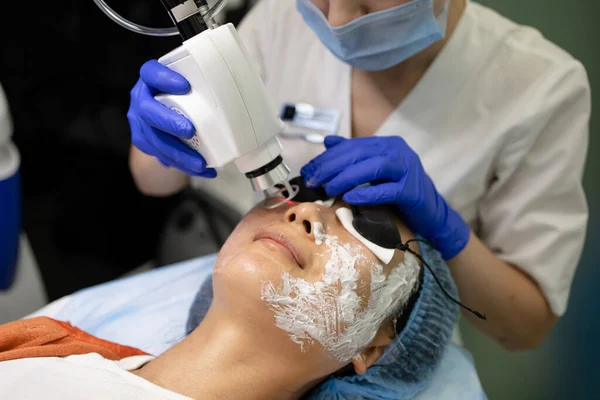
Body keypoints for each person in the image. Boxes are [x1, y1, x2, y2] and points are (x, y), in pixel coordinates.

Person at [127, 0, 591, 351]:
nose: (337, 21)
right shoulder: (280, 16)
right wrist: (167, 134)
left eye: (366, 3)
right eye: (321, 0)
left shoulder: (541, 88)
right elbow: (152, 181)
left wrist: (446, 232)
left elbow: (526, 325)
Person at [0, 198, 473, 399]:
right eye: (300, 193)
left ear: (372, 347)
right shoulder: (54, 344)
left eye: (368, 228)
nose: (306, 211)